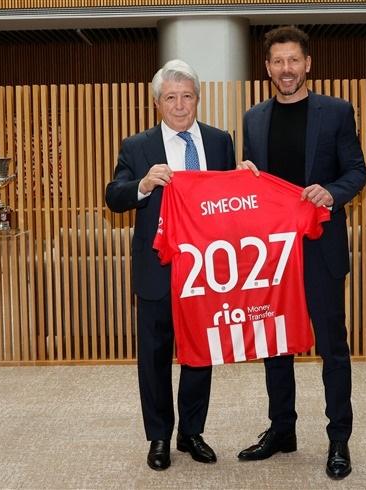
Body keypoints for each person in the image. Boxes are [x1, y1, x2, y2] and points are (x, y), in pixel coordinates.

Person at [236, 26, 366, 479]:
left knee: (332, 346)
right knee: (275, 345)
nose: (286, 69)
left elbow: (356, 171)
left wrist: (331, 193)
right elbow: (255, 186)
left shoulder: (336, 112)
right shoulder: (254, 119)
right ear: (267, 68)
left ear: (307, 64)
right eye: (278, 61)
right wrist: (245, 177)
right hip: (272, 252)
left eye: (293, 60)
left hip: (320, 248)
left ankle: (339, 439)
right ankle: (282, 430)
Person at [105, 59, 236, 471]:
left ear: (198, 99)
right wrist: (143, 185)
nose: (180, 105)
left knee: (200, 353)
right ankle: (159, 436)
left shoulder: (220, 142)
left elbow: (230, 200)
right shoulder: (137, 146)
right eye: (171, 98)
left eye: (187, 96)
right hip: (157, 269)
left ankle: (191, 432)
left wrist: (246, 179)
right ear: (157, 103)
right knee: (154, 356)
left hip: (205, 268)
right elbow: (114, 196)